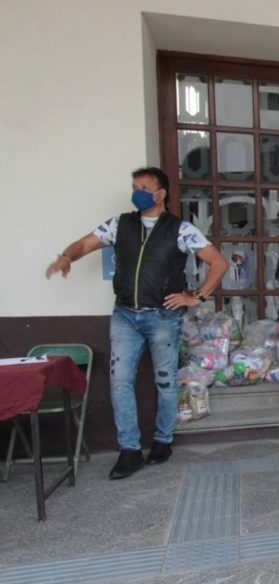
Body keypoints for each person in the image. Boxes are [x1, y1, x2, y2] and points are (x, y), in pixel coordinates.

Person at [45, 167, 227, 480]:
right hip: (125, 315)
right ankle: (129, 450)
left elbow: (219, 263)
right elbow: (85, 244)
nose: (137, 191)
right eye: (134, 186)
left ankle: (162, 441)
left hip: (163, 317)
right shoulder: (120, 224)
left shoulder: (180, 229)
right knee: (119, 382)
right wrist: (66, 257)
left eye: (144, 186)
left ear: (161, 193)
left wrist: (195, 296)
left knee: (165, 382)